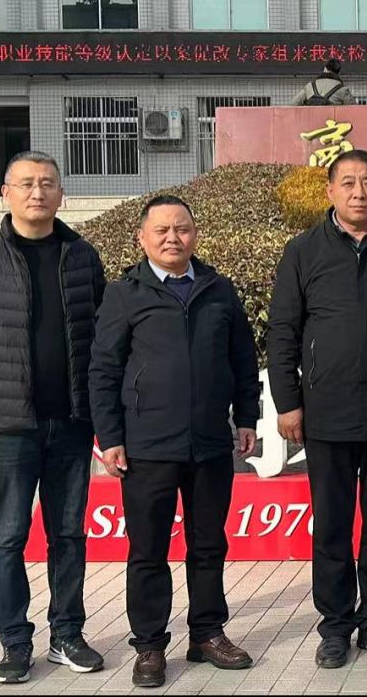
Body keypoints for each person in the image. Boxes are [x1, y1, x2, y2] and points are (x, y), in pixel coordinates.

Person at [0, 151, 107, 685]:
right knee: (7, 537)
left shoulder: (82, 256)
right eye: (27, 183)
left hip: (71, 423)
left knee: (68, 536)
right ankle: (14, 642)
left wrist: (103, 414)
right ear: (5, 193)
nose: (38, 192)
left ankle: (67, 634)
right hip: (6, 427)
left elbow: (103, 340)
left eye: (48, 183)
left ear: (61, 195)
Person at [266, 149, 367, 669]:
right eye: (349, 183)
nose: (360, 192)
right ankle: (336, 625)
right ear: (330, 191)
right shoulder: (303, 251)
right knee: (333, 527)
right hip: (327, 413)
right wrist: (289, 403)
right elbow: (282, 332)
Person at [88, 195, 261, 688]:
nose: (172, 238)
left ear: (195, 234)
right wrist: (111, 437)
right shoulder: (124, 294)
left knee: (208, 544)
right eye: (161, 230)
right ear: (142, 238)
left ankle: (207, 633)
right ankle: (149, 645)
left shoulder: (218, 290)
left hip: (209, 443)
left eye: (181, 229)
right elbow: (103, 370)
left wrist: (246, 417)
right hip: (147, 445)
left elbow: (242, 360)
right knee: (147, 550)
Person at [291, 58, 357, 106]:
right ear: (338, 73)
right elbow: (354, 108)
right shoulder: (342, 90)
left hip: (311, 121)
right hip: (331, 121)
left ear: (325, 69)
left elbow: (294, 103)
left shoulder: (310, 86)